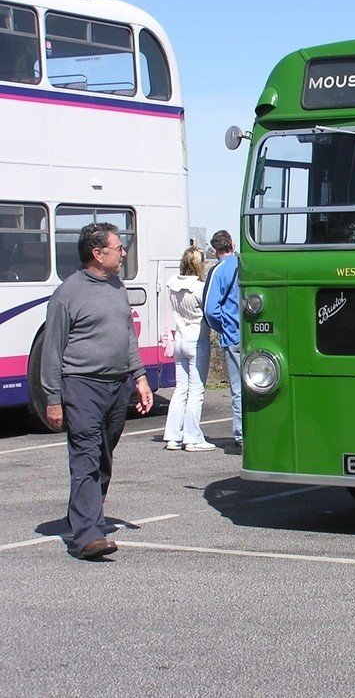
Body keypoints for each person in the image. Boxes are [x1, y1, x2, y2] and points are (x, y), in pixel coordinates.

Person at [41, 223, 153, 560]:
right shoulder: (67, 294)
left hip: (118, 387)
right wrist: (53, 399)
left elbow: (127, 337)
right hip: (82, 386)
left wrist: (141, 377)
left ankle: (86, 512)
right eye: (118, 248)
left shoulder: (117, 287)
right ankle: (87, 535)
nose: (123, 253)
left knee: (103, 457)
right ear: (97, 253)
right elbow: (52, 350)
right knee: (86, 457)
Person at [162, 246, 215, 452]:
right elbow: (209, 312)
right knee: (196, 390)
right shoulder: (200, 287)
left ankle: (173, 436)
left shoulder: (173, 284)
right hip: (197, 339)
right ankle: (192, 437)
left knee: (180, 389)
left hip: (179, 339)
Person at [203, 229, 241, 447]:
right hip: (251, 333)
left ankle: (241, 435)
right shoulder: (243, 265)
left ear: (214, 249)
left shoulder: (218, 271)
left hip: (232, 334)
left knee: (237, 390)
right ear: (232, 245)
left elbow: (210, 309)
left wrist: (222, 326)